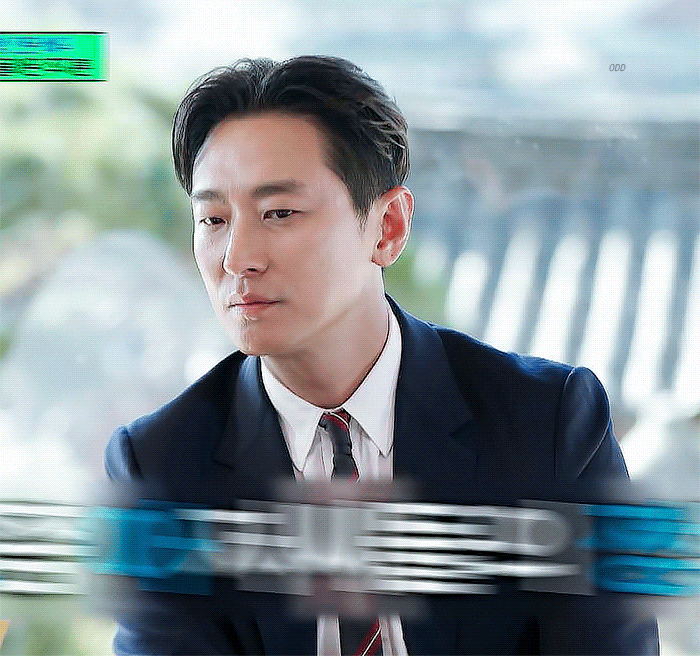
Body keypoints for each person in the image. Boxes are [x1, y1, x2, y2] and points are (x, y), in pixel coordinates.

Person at [104, 55, 659, 655]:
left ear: (388, 226)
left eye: (279, 213)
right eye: (213, 218)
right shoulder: (161, 468)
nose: (237, 257)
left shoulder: (547, 425)